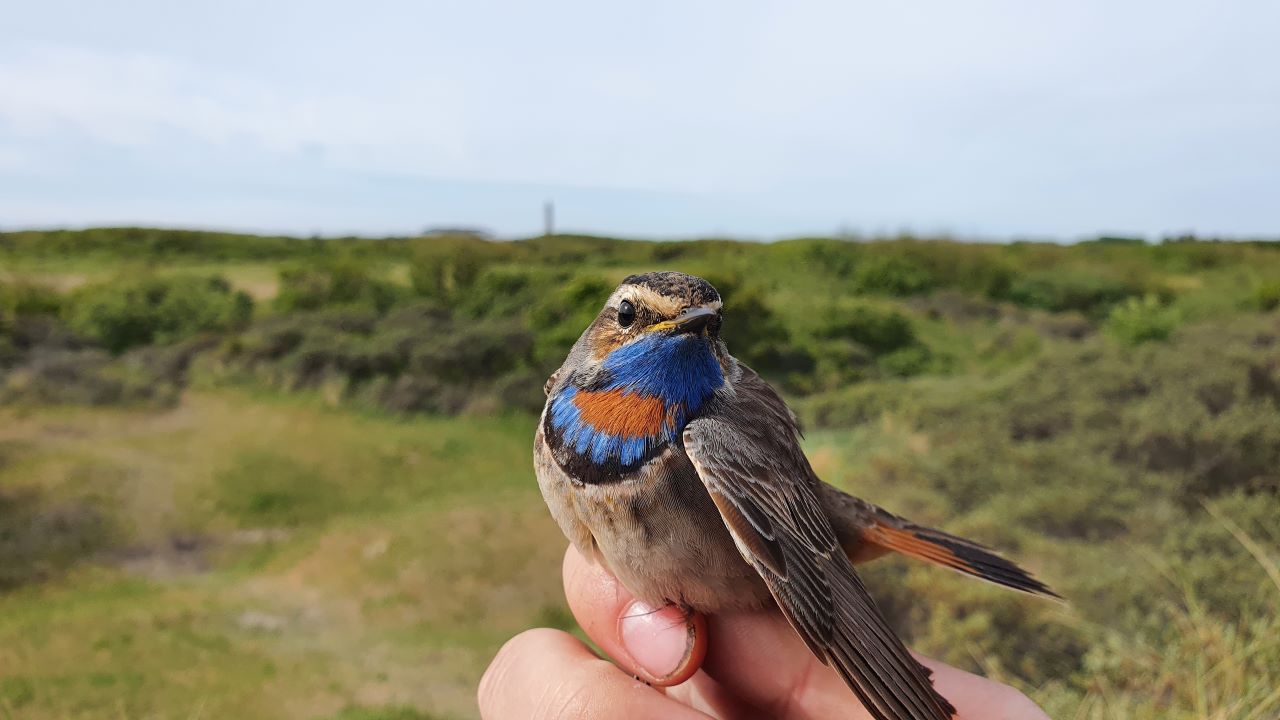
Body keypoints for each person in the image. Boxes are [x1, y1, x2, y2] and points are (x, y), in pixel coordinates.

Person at [479, 546, 1051, 719]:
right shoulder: (564, 407)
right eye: (632, 318)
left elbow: (817, 577)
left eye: (707, 323)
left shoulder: (710, 432)